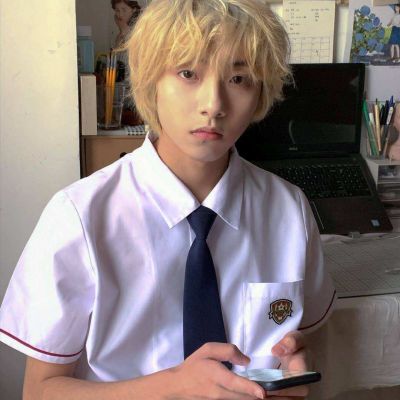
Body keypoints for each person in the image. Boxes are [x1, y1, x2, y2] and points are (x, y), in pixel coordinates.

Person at [0, 1, 336, 399]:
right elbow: (39, 391)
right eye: (188, 73)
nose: (213, 105)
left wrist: (296, 366)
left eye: (239, 78)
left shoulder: (289, 209)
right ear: (151, 80)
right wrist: (171, 387)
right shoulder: (80, 216)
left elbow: (305, 340)